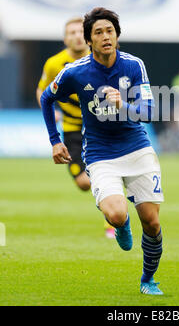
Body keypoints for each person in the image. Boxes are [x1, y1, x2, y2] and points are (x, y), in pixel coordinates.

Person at [40, 7, 164, 295]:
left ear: (117, 36)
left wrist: (123, 105)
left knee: (152, 221)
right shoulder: (75, 71)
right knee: (118, 215)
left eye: (110, 31)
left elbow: (147, 111)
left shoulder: (134, 65)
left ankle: (148, 279)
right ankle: (121, 226)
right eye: (98, 32)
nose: (105, 36)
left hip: (137, 148)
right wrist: (54, 140)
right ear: (89, 40)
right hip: (100, 153)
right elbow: (47, 98)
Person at [36, 17, 115, 239]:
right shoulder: (54, 64)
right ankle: (111, 202)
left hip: (99, 126)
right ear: (65, 38)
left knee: (105, 173)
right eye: (71, 33)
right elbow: (42, 91)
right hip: (71, 128)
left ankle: (112, 218)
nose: (76, 36)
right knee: (83, 182)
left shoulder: (100, 59)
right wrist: (51, 111)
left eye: (80, 32)